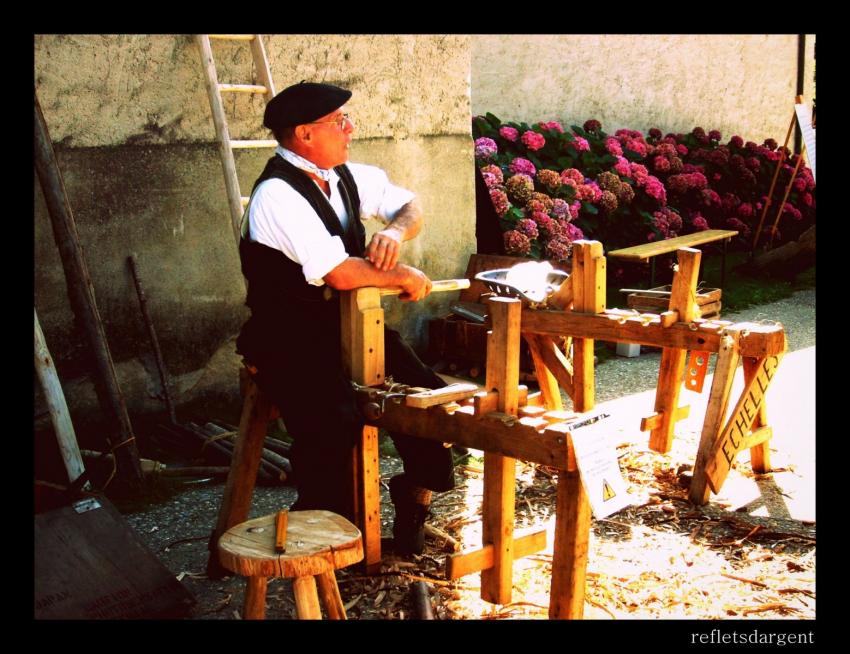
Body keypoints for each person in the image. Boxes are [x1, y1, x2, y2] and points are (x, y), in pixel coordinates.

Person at [235, 81, 455, 555]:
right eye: (339, 122)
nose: (350, 129)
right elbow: (338, 273)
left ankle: (414, 496)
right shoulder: (277, 194)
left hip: (351, 327)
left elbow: (409, 205)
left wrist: (394, 231)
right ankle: (325, 538)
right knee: (333, 423)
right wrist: (403, 276)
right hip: (286, 336)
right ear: (304, 134)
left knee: (429, 402)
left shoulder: (346, 176)